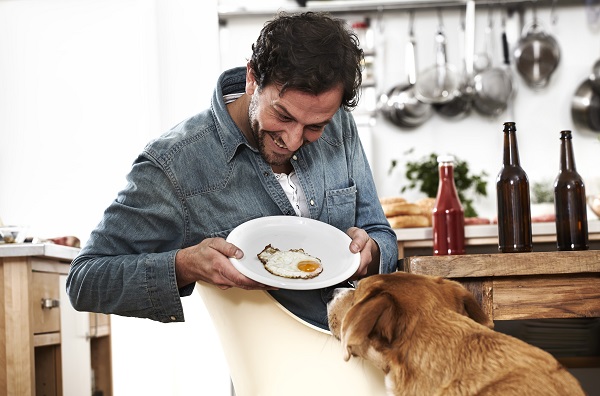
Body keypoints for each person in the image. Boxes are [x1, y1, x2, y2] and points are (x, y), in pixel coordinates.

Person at [66, 11, 398, 331]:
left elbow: (380, 233)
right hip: (272, 368)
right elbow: (85, 280)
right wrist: (184, 265)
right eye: (282, 116)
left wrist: (370, 253)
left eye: (314, 127)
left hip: (360, 340)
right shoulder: (174, 163)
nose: (294, 139)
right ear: (253, 78)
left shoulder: (338, 122)